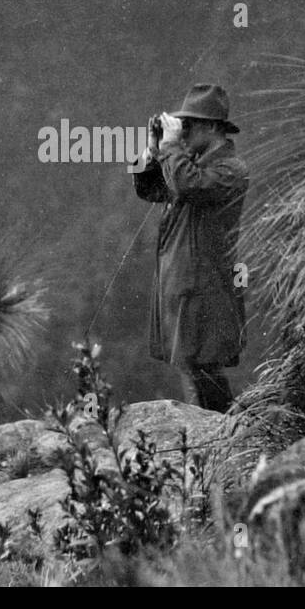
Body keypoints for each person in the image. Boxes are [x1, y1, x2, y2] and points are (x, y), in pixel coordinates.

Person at [132, 83, 248, 412]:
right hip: (184, 288)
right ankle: (220, 439)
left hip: (204, 289)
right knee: (193, 373)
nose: (183, 133)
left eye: (190, 125)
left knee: (204, 374)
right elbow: (151, 189)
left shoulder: (230, 170)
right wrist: (153, 153)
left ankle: (223, 442)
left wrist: (172, 149)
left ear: (212, 127)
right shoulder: (187, 162)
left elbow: (188, 185)